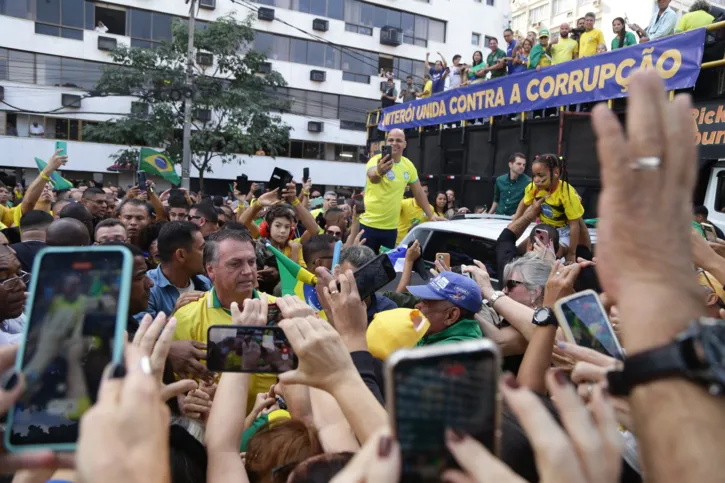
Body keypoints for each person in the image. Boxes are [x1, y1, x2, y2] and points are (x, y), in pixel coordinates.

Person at [173, 229, 276, 408]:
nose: (247, 271)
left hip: (275, 428)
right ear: (211, 270)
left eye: (251, 262)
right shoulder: (185, 318)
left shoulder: (282, 310)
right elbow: (178, 389)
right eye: (235, 264)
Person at [361, 129, 443, 253]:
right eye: (391, 140)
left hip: (391, 229)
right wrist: (379, 171)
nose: (394, 143)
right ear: (386, 143)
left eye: (398, 140)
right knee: (363, 267)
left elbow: (419, 192)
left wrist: (431, 215)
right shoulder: (375, 160)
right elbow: (373, 177)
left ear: (405, 144)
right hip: (368, 225)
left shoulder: (408, 165)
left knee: (386, 268)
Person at [512, 154, 586, 263]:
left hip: (563, 233)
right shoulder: (534, 187)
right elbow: (524, 202)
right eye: (534, 175)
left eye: (541, 175)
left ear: (556, 172)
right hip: (543, 229)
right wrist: (514, 223)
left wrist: (571, 253)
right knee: (518, 252)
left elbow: (574, 224)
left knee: (552, 257)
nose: (536, 180)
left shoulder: (567, 193)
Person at [139, 221, 211, 320]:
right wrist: (175, 316)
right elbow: (140, 333)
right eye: (202, 248)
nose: (207, 254)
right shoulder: (147, 289)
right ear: (181, 255)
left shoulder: (205, 283)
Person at [407, 272, 483, 345]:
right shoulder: (433, 333)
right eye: (422, 300)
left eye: (427, 302)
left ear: (451, 315)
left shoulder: (451, 352)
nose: (417, 306)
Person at [340, 245, 397, 324]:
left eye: (362, 279)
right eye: (349, 279)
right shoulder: (331, 308)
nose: (356, 286)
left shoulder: (387, 311)